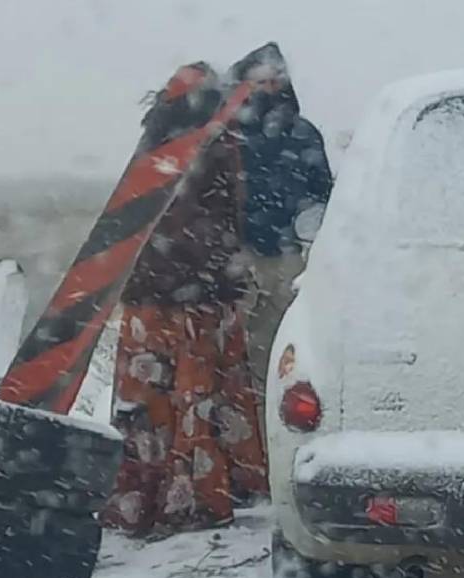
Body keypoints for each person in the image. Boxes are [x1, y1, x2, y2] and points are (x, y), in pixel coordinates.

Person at [100, 70, 269, 535]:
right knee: (200, 395)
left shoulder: (154, 145)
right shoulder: (217, 143)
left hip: (148, 297)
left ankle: (141, 495)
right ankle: (197, 492)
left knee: (148, 400)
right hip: (202, 296)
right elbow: (226, 216)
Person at [233, 57, 334, 395]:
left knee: (281, 339)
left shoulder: (304, 134)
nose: (266, 89)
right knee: (235, 344)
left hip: (287, 254)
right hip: (238, 254)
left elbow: (321, 197)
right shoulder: (229, 135)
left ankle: (268, 409)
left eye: (272, 81)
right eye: (258, 82)